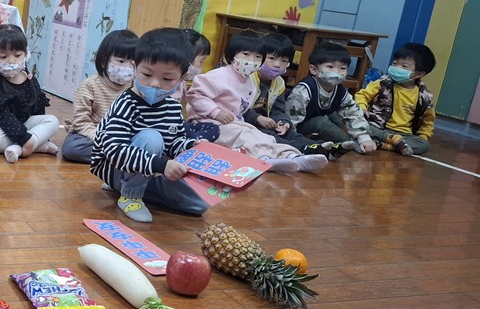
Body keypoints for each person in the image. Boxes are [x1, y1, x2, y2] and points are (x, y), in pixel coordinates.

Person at [90, 27, 210, 223]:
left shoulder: (173, 106)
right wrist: (161, 165)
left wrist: (191, 146)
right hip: (114, 166)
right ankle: (130, 195)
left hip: (150, 168)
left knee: (198, 205)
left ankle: (126, 186)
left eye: (167, 78)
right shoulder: (126, 103)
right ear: (135, 66)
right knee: (151, 138)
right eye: (146, 74)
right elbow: (113, 149)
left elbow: (174, 141)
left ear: (182, 77)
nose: (155, 84)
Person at [186, 31, 328, 172]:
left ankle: (293, 156)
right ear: (231, 55)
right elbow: (195, 94)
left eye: (258, 57)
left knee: (264, 137)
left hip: (235, 123)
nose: (252, 60)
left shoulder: (249, 82)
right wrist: (215, 112)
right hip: (207, 123)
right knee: (246, 137)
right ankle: (264, 159)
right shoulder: (218, 76)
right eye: (246, 54)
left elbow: (243, 108)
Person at [0, 24, 59, 163]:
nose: (11, 61)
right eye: (3, 56)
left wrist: (36, 134)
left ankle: (23, 147)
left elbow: (38, 109)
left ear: (25, 55)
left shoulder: (29, 78)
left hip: (24, 123)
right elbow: (3, 117)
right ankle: (35, 144)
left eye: (17, 55)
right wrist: (25, 139)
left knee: (53, 121)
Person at [245, 32, 331, 154]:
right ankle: (302, 150)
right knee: (271, 136)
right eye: (272, 58)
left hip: (267, 122)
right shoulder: (247, 77)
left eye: (284, 61)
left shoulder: (279, 82)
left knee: (290, 133)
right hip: (247, 122)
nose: (277, 65)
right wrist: (257, 118)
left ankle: (322, 148)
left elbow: (278, 109)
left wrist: (284, 122)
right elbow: (237, 108)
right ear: (259, 57)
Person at [62, 30, 140, 164]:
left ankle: (118, 156)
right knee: (71, 148)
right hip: (93, 134)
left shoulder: (136, 86)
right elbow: (81, 121)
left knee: (150, 139)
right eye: (121, 61)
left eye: (133, 62)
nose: (127, 67)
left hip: (122, 135)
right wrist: (102, 139)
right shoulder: (89, 85)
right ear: (104, 61)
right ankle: (122, 157)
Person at [285, 41, 376, 155]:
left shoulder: (339, 90)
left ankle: (374, 139)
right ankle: (349, 143)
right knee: (322, 122)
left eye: (342, 68)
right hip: (298, 126)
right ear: (313, 70)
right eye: (330, 67)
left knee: (339, 118)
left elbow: (352, 113)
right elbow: (291, 119)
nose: (337, 72)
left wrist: (364, 137)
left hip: (317, 118)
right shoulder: (304, 89)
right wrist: (294, 141)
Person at [354, 42, 436, 156]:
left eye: (404, 66)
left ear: (419, 74)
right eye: (395, 63)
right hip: (378, 127)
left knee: (424, 145)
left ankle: (385, 145)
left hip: (404, 135)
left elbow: (428, 121)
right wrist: (362, 107)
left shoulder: (424, 97)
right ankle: (394, 142)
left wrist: (423, 137)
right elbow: (362, 95)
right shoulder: (382, 83)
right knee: (361, 126)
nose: (397, 68)